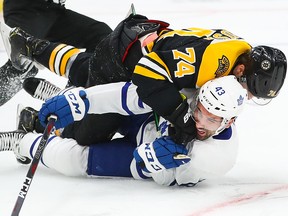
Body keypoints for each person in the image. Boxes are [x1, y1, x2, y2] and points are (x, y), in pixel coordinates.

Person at [4, 2, 287, 145]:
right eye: (248, 88)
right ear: (240, 70)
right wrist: (180, 115)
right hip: (127, 62)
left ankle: (35, 47)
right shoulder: (211, 62)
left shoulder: (239, 53)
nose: (245, 95)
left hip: (136, 38)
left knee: (87, 68)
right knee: (92, 135)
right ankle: (34, 126)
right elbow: (147, 76)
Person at [0, 75, 248, 186]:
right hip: (143, 121)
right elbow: (130, 94)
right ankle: (63, 98)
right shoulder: (188, 91)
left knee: (73, 160)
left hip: (141, 161)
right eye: (199, 111)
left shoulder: (217, 156)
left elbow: (166, 178)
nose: (201, 123)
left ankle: (23, 141)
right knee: (90, 122)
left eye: (212, 120)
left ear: (229, 121)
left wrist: (153, 161)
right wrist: (81, 100)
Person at [0, 0, 112, 106]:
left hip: (52, 11)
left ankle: (73, 93)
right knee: (23, 64)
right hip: (26, 10)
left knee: (101, 36)